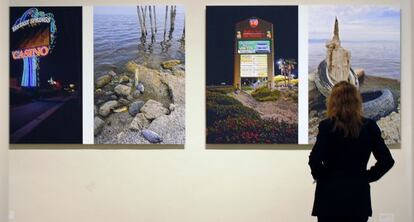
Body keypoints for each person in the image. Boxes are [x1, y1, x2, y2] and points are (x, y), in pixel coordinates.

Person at [309, 81, 395, 222]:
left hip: (329, 198)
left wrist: (323, 177)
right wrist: (366, 177)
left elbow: (314, 160)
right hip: (358, 198)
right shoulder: (369, 126)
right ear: (357, 101)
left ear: (333, 102)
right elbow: (387, 161)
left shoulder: (326, 126)